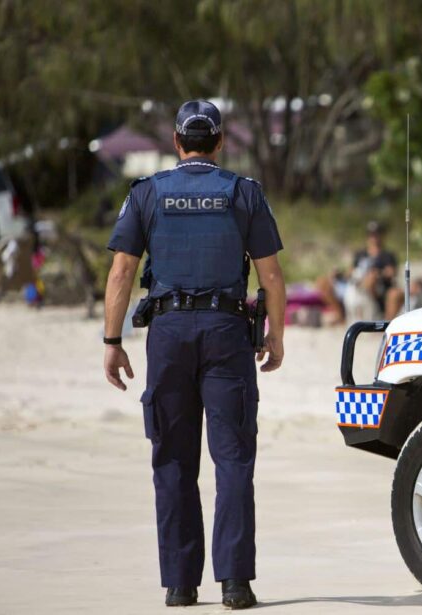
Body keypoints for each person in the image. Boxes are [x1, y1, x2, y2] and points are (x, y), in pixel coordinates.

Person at [101, 100, 286, 610]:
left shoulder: (147, 193)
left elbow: (120, 272)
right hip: (228, 333)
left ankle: (181, 586)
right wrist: (276, 337)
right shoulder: (244, 193)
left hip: (169, 334)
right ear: (220, 142)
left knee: (173, 461)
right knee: (233, 461)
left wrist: (112, 342)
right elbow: (270, 278)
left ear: (178, 144)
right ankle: (235, 584)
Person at [317, 221, 400, 322]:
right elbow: (350, 272)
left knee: (371, 279)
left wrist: (378, 273)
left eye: (376, 234)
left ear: (382, 235)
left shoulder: (387, 255)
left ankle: (380, 320)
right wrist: (338, 274)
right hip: (356, 285)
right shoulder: (360, 254)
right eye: (371, 234)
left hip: (377, 288)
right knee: (323, 281)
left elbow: (391, 272)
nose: (374, 237)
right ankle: (341, 316)